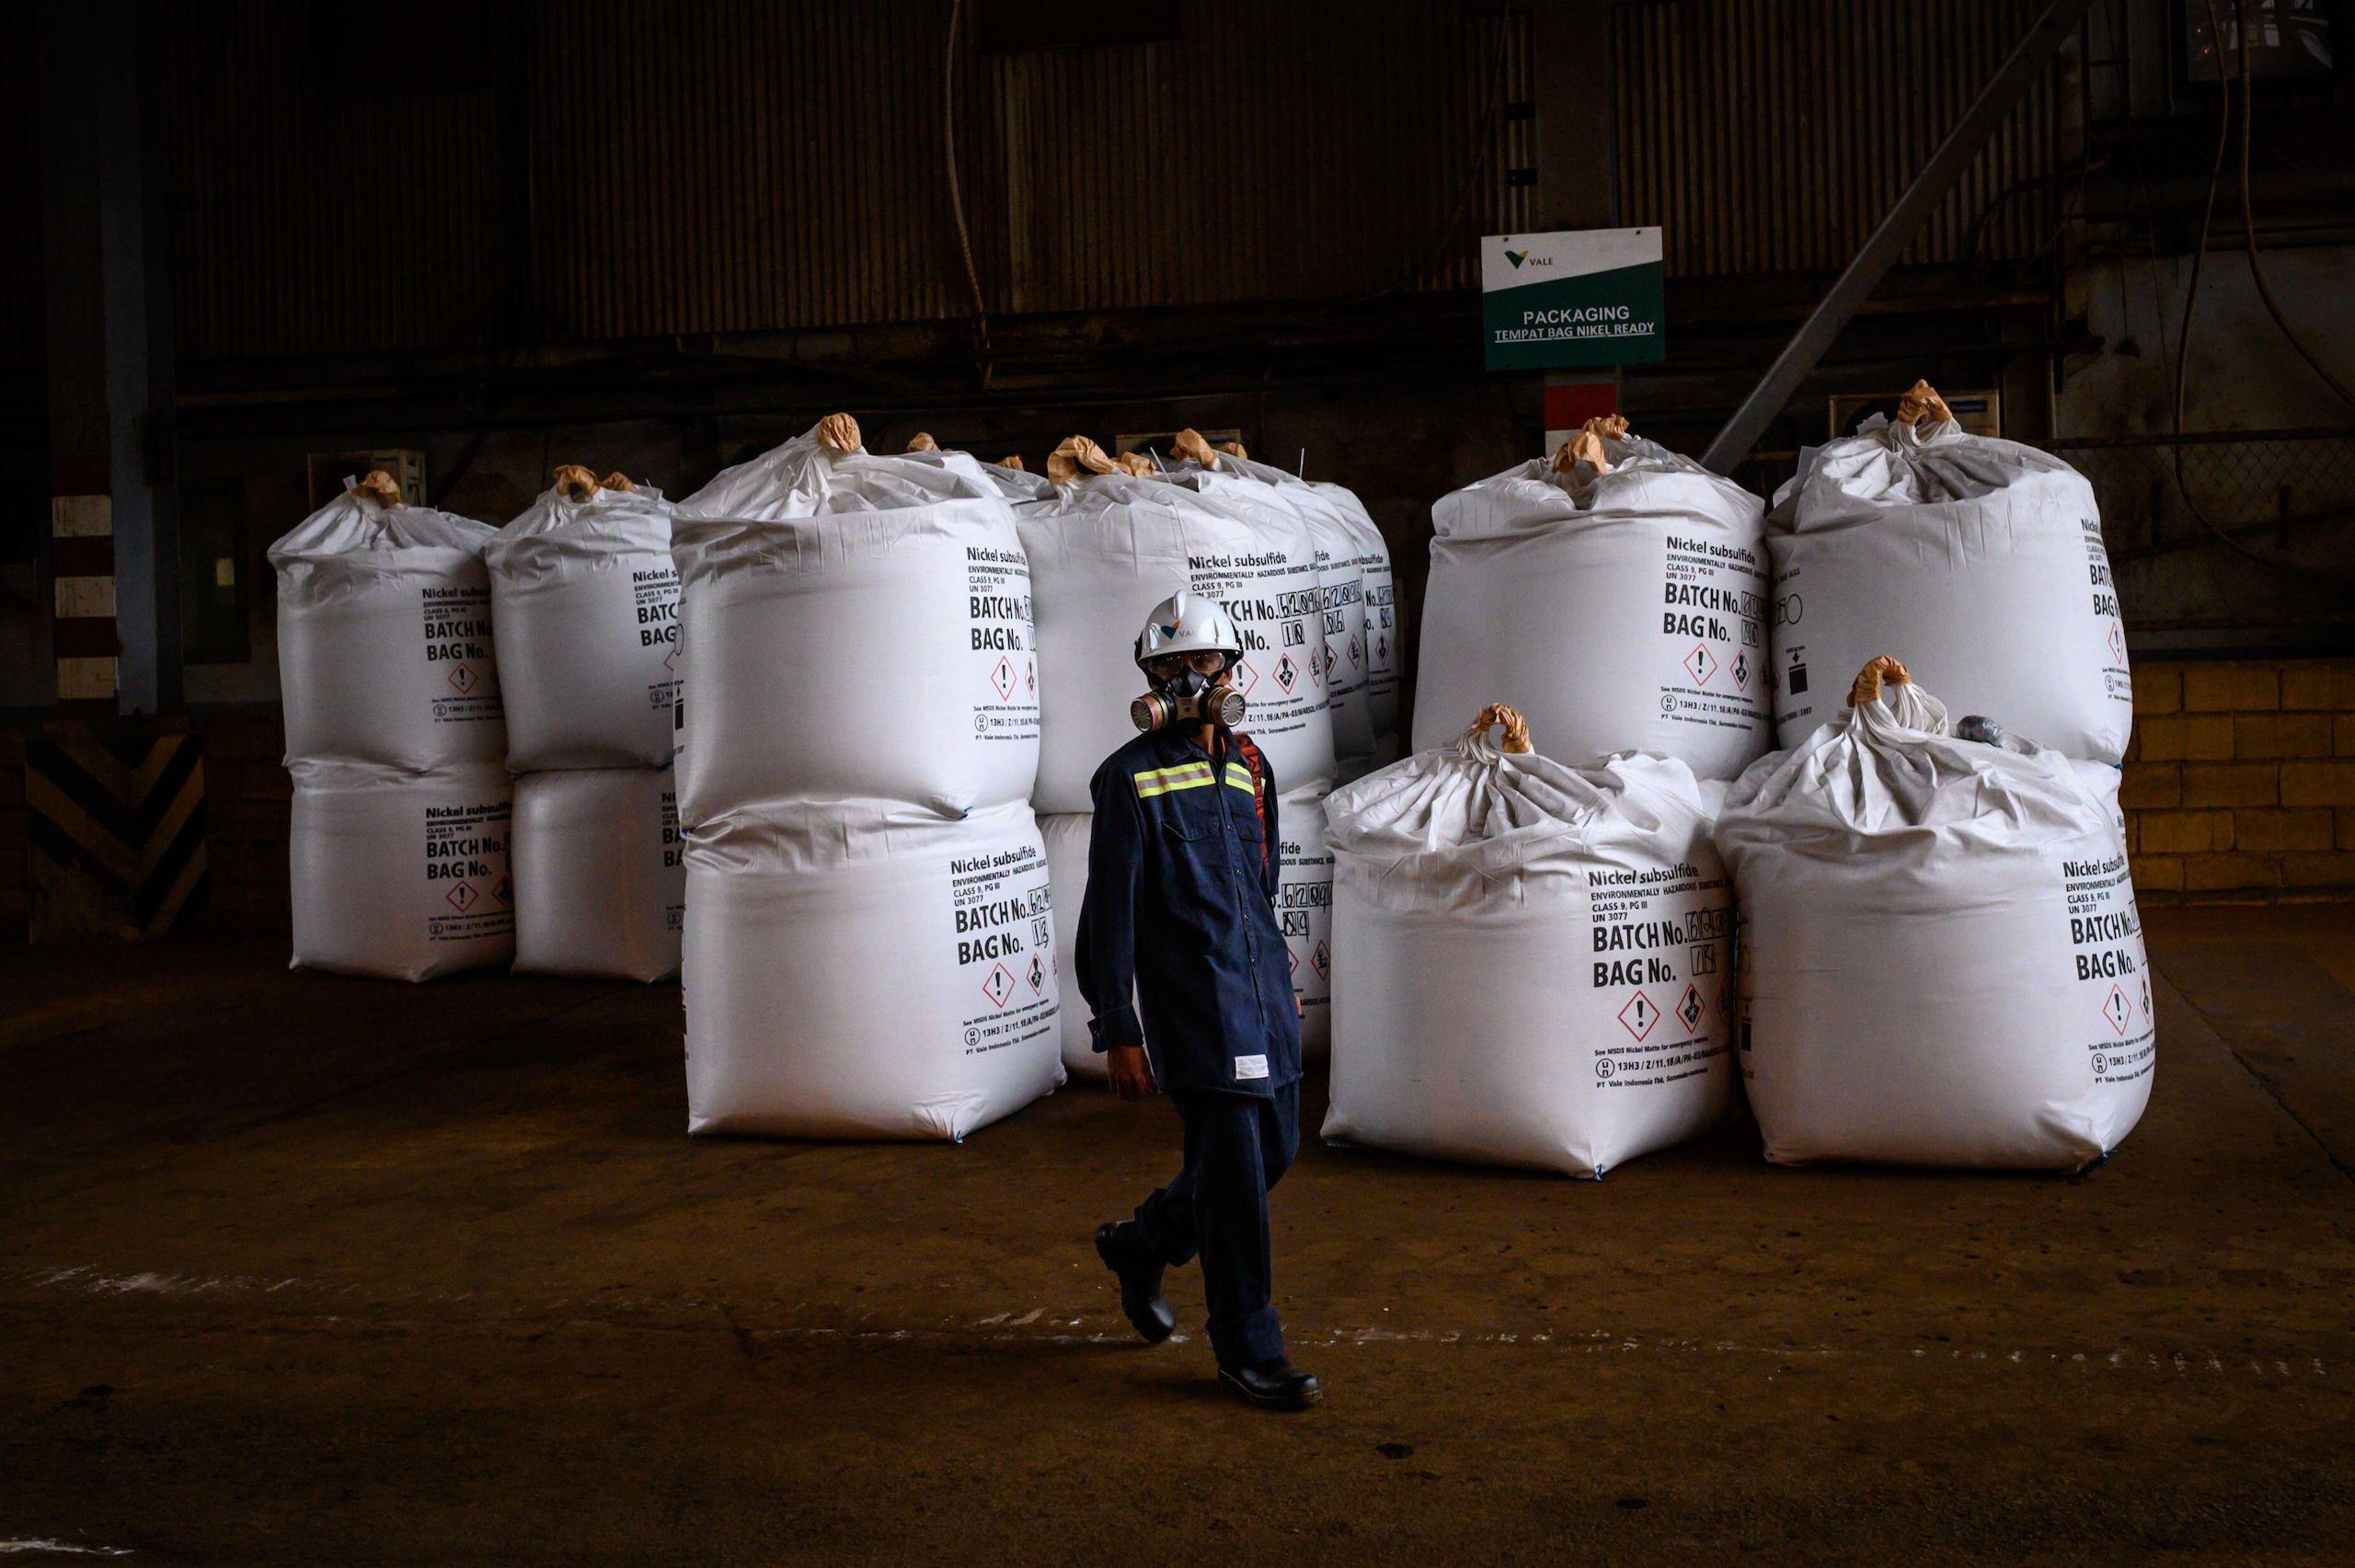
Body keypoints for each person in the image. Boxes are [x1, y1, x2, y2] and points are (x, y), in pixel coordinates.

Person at [1078, 589, 1318, 1412]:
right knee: (1237, 1177)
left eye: (1203, 663)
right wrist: (1120, 1025)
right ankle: (1250, 1350)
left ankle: (1141, 1244)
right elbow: (1109, 912)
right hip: (1196, 1009)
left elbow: (1264, 883)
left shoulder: (1253, 767)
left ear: (1231, 668)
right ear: (1152, 676)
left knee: (1271, 1153)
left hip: (1264, 1000)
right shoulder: (1127, 778)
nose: (1189, 678)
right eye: (1170, 666)